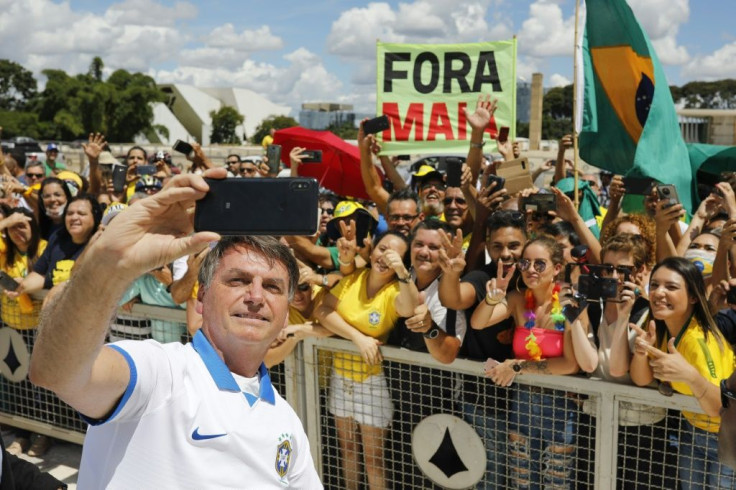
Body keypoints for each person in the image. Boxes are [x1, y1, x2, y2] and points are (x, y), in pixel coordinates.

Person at [29, 169, 322, 487]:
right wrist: (108, 264)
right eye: (237, 280)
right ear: (202, 297)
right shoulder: (160, 372)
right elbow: (56, 372)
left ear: (285, 311)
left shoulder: (286, 421)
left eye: (273, 287)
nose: (255, 296)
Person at [473, 236, 582, 490]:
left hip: (560, 406)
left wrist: (517, 366)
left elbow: (570, 365)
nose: (531, 270)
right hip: (522, 403)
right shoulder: (517, 299)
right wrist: (493, 297)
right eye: (525, 263)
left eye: (540, 264)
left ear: (557, 268)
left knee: (558, 485)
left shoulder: (568, 301)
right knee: (522, 484)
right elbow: (478, 323)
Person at [315, 229, 419, 490]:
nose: (386, 257)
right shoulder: (353, 278)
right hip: (341, 376)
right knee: (348, 450)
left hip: (372, 382)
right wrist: (357, 338)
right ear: (372, 250)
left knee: (374, 460)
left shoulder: (396, 290)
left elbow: (408, 308)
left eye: (395, 255)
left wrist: (405, 276)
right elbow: (323, 310)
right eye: (382, 249)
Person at [631, 257, 735, 490]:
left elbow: (720, 408)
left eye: (671, 286)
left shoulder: (699, 340)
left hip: (726, 436)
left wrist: (691, 376)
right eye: (655, 285)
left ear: (693, 296)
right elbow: (641, 379)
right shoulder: (658, 324)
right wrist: (641, 352)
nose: (659, 292)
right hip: (693, 430)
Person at [0, 208, 49, 457]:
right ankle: (23, 433)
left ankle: (44, 434)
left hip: (40, 329)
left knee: (40, 384)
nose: (17, 232)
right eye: (12, 228)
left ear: (34, 227)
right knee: (18, 384)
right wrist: (5, 222)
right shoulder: (4, 252)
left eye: (23, 226)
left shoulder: (43, 249)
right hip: (12, 328)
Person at [16, 194, 101, 294]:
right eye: (69, 213)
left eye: (81, 214)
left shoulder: (102, 244)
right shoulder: (57, 237)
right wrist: (21, 287)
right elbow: (40, 275)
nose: (74, 217)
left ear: (94, 218)